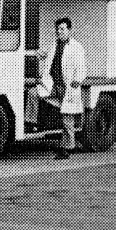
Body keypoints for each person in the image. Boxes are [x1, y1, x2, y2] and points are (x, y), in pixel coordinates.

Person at [36, 17, 86, 160]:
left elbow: (81, 67)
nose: (59, 32)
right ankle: (32, 121)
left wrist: (78, 80)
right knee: (34, 93)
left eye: (62, 29)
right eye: (57, 29)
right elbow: (51, 58)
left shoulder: (76, 47)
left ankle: (68, 148)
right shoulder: (54, 44)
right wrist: (42, 55)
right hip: (53, 84)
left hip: (67, 86)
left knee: (67, 119)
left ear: (69, 30)